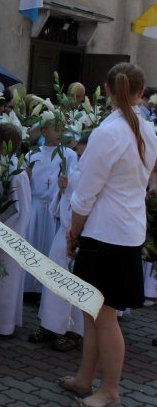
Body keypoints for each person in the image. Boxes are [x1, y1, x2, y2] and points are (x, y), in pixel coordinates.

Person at [60, 63, 157, 407]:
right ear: (141, 93)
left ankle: (110, 390)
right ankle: (86, 378)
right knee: (93, 312)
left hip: (107, 236)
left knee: (105, 316)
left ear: (107, 89)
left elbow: (86, 193)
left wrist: (74, 231)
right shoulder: (147, 131)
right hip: (125, 232)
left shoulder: (108, 132)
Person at [29, 137, 87, 351]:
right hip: (63, 235)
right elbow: (56, 209)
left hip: (80, 238)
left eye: (84, 155)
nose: (80, 160)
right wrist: (62, 190)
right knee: (53, 282)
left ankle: (73, 331)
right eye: (78, 155)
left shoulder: (95, 179)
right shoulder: (74, 175)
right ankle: (50, 324)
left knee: (74, 285)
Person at [0, 123, 32, 338]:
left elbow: (15, 206)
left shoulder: (12, 170)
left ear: (3, 145)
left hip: (7, 232)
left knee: (4, 278)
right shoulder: (1, 165)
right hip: (3, 229)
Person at [24, 120, 77, 294]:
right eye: (56, 128)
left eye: (62, 129)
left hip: (54, 208)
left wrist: (64, 186)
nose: (59, 133)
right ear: (44, 131)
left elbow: (73, 181)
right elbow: (27, 181)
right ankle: (29, 286)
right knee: (33, 244)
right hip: (36, 205)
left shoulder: (68, 155)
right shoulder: (33, 154)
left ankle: (45, 290)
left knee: (49, 247)